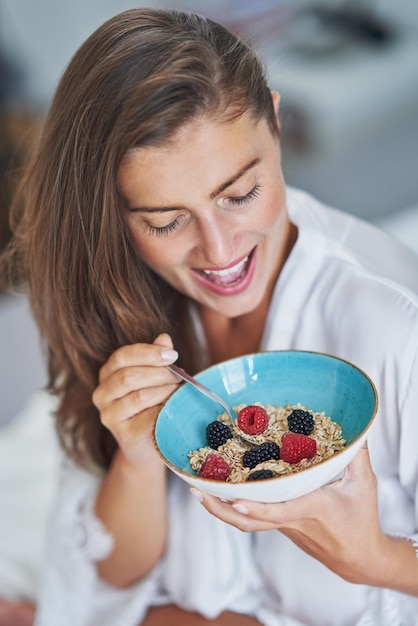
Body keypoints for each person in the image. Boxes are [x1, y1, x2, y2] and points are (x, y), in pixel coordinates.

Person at [2, 7, 418, 626]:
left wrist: (374, 558)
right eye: (166, 222)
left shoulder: (392, 326)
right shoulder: (124, 299)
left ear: (274, 125)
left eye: (240, 194)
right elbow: (111, 572)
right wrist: (137, 461)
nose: (220, 254)